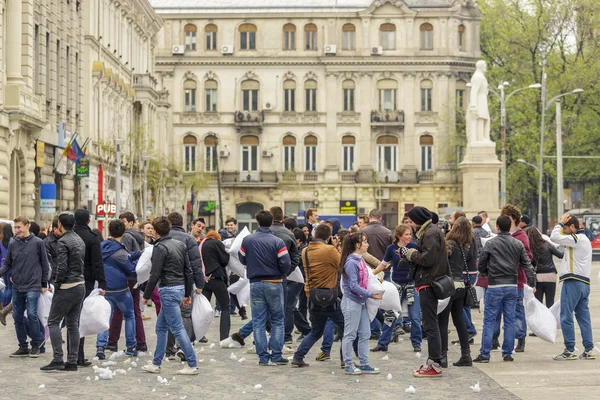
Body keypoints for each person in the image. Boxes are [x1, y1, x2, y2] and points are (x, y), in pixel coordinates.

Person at [141, 217, 199, 375]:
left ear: (156, 231)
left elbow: (154, 274)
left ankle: (192, 364)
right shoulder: (180, 244)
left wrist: (145, 295)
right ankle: (156, 363)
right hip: (179, 288)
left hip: (168, 289)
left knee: (178, 328)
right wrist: (187, 293)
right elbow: (188, 270)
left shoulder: (159, 247)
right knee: (161, 328)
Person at [474, 215, 535, 363]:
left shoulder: (490, 243)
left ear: (498, 228)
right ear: (511, 226)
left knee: (489, 320)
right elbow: (527, 265)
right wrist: (532, 283)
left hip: (494, 284)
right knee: (509, 320)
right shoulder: (517, 243)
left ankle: (485, 354)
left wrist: (485, 272)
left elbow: (481, 263)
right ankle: (507, 353)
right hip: (512, 285)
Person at [239, 210, 291, 366]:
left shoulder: (248, 240)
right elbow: (286, 263)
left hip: (255, 284)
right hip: (274, 283)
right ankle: (276, 354)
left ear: (258, 223)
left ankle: (262, 357)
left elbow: (242, 258)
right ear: (272, 222)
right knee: (277, 320)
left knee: (258, 321)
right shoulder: (278, 242)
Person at [291, 224, 345, 368]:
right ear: (328, 237)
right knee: (346, 327)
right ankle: (344, 359)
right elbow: (342, 266)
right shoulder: (329, 250)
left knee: (316, 331)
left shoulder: (306, 251)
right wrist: (336, 247)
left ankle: (298, 357)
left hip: (313, 296)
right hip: (330, 296)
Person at [402, 206, 447, 377]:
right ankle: (434, 361)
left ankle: (434, 364)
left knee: (430, 324)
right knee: (431, 323)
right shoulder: (430, 231)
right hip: (428, 280)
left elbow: (427, 259)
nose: (410, 225)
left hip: (429, 281)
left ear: (418, 220)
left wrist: (410, 253)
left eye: (412, 221)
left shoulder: (429, 233)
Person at [41, 213, 86, 371]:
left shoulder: (63, 241)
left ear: (60, 224)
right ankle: (72, 361)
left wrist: (57, 284)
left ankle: (58, 358)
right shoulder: (79, 239)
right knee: (73, 324)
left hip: (67, 286)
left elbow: (62, 268)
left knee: (53, 322)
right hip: (80, 284)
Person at [0, 216, 49, 358]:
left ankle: (36, 344)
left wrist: (44, 283)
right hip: (17, 285)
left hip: (33, 285)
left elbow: (45, 264)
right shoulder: (13, 243)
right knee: (17, 316)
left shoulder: (38, 243)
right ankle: (23, 346)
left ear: (27, 226)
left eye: (19, 227)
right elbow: (8, 264)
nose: (17, 230)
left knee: (32, 314)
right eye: (15, 228)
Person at [371, 224, 421, 353]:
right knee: (391, 314)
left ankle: (416, 343)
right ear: (399, 236)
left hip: (411, 285)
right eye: (406, 234)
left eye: (410, 234)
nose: (409, 236)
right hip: (395, 285)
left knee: (415, 317)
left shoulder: (414, 247)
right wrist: (371, 275)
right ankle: (383, 343)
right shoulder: (391, 248)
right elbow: (383, 264)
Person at [551, 214, 595, 360]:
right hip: (584, 283)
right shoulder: (584, 240)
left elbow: (554, 237)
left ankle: (570, 349)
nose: (564, 231)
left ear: (572, 227)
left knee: (566, 315)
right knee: (583, 317)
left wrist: (559, 223)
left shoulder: (576, 238)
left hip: (573, 281)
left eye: (565, 228)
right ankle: (589, 349)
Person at [96, 220, 140, 360]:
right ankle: (131, 347)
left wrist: (136, 254)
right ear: (123, 233)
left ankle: (100, 347)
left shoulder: (101, 247)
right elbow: (130, 269)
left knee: (104, 318)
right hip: (120, 289)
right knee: (129, 315)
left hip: (104, 288)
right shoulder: (120, 251)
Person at [340, 231, 382, 375]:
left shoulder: (360, 259)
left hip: (361, 301)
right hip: (352, 302)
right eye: (365, 242)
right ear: (358, 245)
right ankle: (348, 364)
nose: (367, 244)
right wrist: (370, 294)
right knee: (350, 334)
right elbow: (353, 285)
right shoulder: (351, 262)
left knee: (365, 333)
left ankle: (364, 363)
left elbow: (367, 278)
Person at [166, 212, 205, 360]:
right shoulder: (189, 239)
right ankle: (183, 347)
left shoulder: (163, 238)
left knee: (169, 316)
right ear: (182, 224)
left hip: (167, 283)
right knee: (186, 315)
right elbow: (196, 263)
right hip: (184, 282)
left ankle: (169, 349)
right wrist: (199, 284)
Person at [108, 211, 148, 353]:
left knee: (121, 310)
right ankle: (141, 342)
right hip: (136, 276)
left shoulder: (126, 237)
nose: (122, 224)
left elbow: (122, 258)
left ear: (131, 223)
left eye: (124, 221)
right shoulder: (139, 236)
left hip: (127, 277)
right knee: (134, 309)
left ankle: (113, 341)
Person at [439, 217, 476, 367]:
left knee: (442, 321)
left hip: (449, 285)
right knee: (459, 320)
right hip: (461, 284)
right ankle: (465, 354)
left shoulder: (451, 244)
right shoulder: (467, 245)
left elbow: (443, 260)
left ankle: (443, 355)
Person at [73, 209, 107, 365]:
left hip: (68, 280)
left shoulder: (69, 236)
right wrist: (102, 283)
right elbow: (97, 263)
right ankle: (78, 355)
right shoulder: (92, 238)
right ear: (88, 221)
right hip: (85, 280)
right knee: (81, 316)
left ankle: (71, 354)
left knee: (71, 318)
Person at [269, 206, 300, 345]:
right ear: (282, 218)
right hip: (281, 276)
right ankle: (282, 339)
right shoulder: (288, 233)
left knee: (264, 310)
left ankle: (269, 338)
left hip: (263, 276)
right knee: (282, 309)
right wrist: (286, 271)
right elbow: (295, 256)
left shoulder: (263, 233)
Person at [199, 230, 231, 340]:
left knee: (203, 309)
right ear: (217, 237)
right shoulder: (217, 243)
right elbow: (224, 260)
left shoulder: (202, 244)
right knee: (225, 307)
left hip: (205, 280)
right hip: (217, 278)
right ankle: (224, 337)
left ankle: (199, 335)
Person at [525, 227, 563, 308]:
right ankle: (551, 320)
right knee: (550, 303)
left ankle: (541, 320)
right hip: (550, 275)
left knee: (538, 304)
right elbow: (560, 255)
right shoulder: (548, 244)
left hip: (538, 277)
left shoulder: (530, 248)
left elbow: (529, 264)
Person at [360, 209, 393, 282]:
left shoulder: (362, 232)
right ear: (381, 218)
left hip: (368, 270)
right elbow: (392, 251)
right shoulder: (388, 232)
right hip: (385, 269)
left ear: (369, 217)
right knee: (386, 292)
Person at [0, 223, 14, 322]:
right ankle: (7, 305)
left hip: (3, 266)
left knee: (6, 287)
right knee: (10, 287)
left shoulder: (1, 242)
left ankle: (4, 305)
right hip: (11, 266)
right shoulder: (13, 241)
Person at [44, 219, 62, 283]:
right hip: (53, 277)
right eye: (60, 229)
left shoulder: (65, 240)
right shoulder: (47, 242)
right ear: (55, 229)